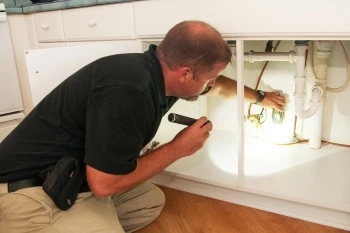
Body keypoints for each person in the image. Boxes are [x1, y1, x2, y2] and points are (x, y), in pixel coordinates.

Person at [0, 20, 285, 233]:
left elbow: (217, 85)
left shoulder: (157, 72)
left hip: (75, 176)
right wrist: (177, 148)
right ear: (186, 74)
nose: (211, 84)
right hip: (28, 191)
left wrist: (260, 97)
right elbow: (103, 184)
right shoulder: (129, 91)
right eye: (208, 78)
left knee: (148, 200)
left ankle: (81, 219)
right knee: (110, 193)